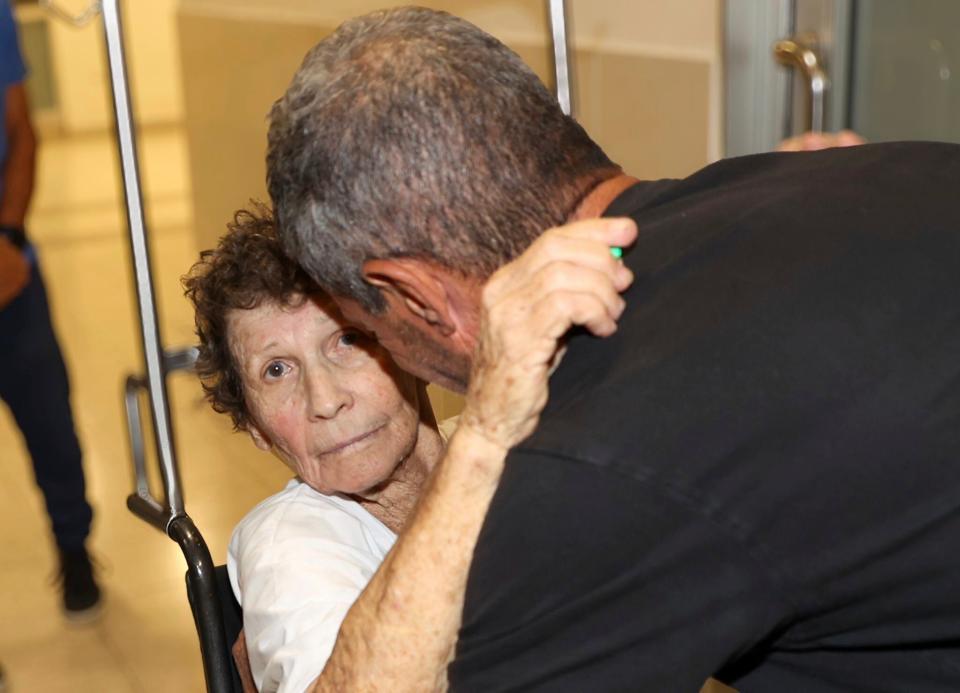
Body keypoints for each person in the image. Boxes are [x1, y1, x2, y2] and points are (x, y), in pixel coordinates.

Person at [265, 7, 960, 691]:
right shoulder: (871, 170)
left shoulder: (603, 454)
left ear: (420, 298)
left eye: (373, 334)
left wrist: (482, 434)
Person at [184, 207, 631, 691]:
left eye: (346, 340)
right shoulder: (289, 545)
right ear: (257, 428)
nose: (327, 400)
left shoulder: (514, 443)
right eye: (277, 370)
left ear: (408, 347)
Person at [0, 0, 100, 619]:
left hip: (8, 276)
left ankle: (75, 546)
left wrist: (9, 237)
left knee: (51, 424)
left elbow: (21, 130)